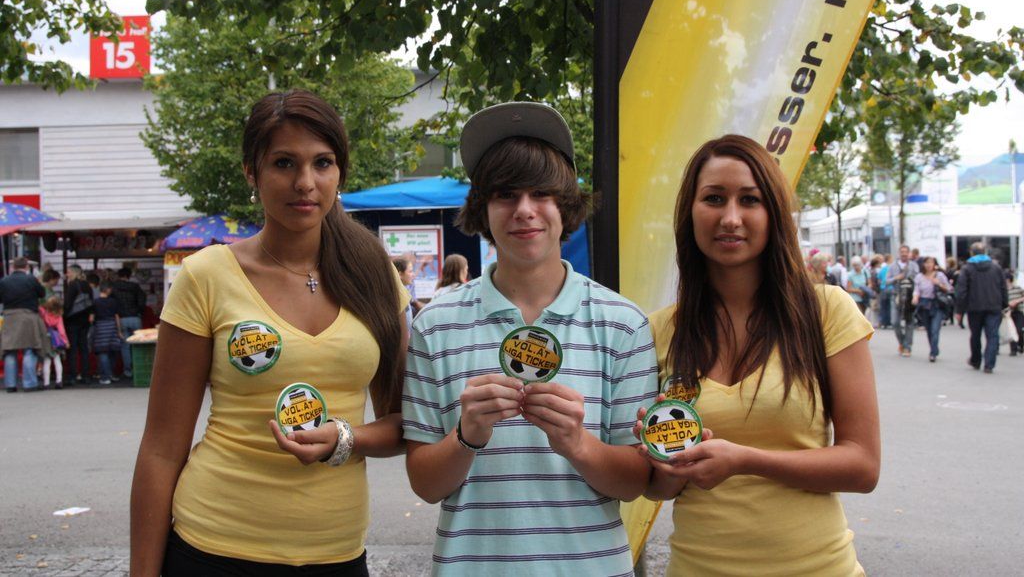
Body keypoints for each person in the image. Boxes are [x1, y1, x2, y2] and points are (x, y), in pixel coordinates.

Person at [130, 90, 410, 576]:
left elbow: (406, 424)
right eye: (284, 163)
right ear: (251, 173)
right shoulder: (207, 276)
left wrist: (345, 437)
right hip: (213, 550)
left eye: (322, 163)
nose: (305, 182)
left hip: (337, 555)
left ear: (340, 173)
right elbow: (160, 448)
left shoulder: (375, 275)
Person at [402, 102, 658, 575]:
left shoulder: (623, 323)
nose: (524, 210)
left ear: (566, 205)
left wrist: (577, 443)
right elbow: (425, 484)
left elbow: (635, 481)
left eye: (541, 193)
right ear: (483, 209)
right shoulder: (434, 325)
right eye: (505, 194)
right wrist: (467, 436)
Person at [637, 134, 879, 576]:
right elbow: (658, 489)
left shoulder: (827, 311)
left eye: (749, 200)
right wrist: (668, 464)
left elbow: (862, 466)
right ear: (690, 212)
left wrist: (746, 460)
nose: (731, 218)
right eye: (714, 198)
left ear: (774, 213)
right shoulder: (658, 331)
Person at [955, 242, 1007, 373]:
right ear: (985, 252)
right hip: (994, 306)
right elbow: (1003, 287)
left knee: (975, 335)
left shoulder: (967, 268)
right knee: (993, 336)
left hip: (974, 307)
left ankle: (976, 360)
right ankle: (989, 364)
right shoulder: (996, 268)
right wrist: (1005, 305)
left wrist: (959, 310)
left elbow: (961, 291)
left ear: (971, 253)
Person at [0, 257, 49, 393]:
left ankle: (10, 384)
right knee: (30, 349)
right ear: (27, 267)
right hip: (29, 317)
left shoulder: (4, 281)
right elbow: (42, 293)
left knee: (10, 351)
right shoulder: (31, 280)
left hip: (10, 317)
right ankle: (29, 384)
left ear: (13, 267)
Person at [912, 257, 952, 363]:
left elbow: (949, 288)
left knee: (935, 329)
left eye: (931, 263)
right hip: (924, 304)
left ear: (934, 264)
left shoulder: (940, 275)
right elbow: (916, 290)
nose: (928, 265)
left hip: (937, 304)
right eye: (926, 263)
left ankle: (933, 353)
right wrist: (915, 298)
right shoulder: (919, 276)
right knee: (929, 329)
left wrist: (938, 284)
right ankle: (934, 348)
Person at [112, 267, 147, 379]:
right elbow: (142, 302)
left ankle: (128, 371)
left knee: (125, 346)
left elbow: (112, 304)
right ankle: (139, 369)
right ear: (129, 276)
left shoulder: (114, 288)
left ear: (119, 276)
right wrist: (138, 311)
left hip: (122, 318)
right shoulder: (135, 287)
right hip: (135, 318)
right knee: (138, 344)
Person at [887, 244, 919, 357]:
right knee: (895, 322)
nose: (904, 254)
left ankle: (907, 347)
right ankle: (902, 342)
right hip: (896, 296)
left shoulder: (914, 265)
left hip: (909, 296)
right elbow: (887, 281)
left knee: (909, 322)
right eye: (902, 252)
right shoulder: (893, 266)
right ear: (899, 253)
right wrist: (897, 278)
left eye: (906, 252)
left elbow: (918, 279)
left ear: (909, 253)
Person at [63, 264, 93, 384]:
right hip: (85, 320)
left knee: (73, 349)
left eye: (68, 272)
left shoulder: (72, 285)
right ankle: (86, 375)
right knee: (84, 347)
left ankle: (73, 375)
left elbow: (68, 304)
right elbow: (91, 302)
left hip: (73, 320)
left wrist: (64, 316)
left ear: (74, 273)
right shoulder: (87, 285)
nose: (67, 274)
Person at [90, 282, 123, 385]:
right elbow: (117, 316)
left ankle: (105, 376)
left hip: (100, 327)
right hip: (112, 326)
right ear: (108, 290)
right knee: (113, 351)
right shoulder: (113, 302)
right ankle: (110, 373)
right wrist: (119, 331)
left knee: (102, 352)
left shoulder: (95, 302)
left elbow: (91, 318)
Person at [39, 296, 69, 389]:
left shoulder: (44, 313)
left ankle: (46, 383)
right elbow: (61, 330)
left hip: (46, 339)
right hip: (56, 340)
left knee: (47, 361)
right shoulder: (58, 316)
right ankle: (59, 381)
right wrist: (66, 341)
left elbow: (39, 308)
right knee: (57, 360)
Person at [1006, 271, 1023, 356]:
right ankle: (1013, 350)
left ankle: (1021, 344)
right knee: (1011, 330)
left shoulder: (1017, 288)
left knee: (1019, 330)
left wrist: (1017, 301)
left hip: (1019, 311)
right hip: (1008, 313)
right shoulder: (1002, 291)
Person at [877, 254, 893, 328]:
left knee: (883, 306)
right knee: (890, 306)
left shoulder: (882, 269)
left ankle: (884, 322)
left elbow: (879, 279)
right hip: (891, 288)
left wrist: (882, 284)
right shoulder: (891, 268)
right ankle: (889, 322)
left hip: (883, 289)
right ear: (889, 259)